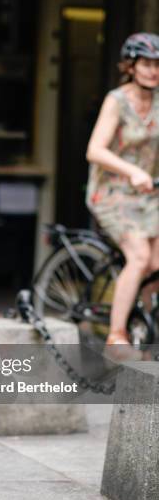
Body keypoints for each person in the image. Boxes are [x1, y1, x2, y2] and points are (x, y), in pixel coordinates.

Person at [86, 33, 159, 346]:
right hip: (112, 192)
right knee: (140, 256)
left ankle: (143, 328)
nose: (152, 70)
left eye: (157, 64)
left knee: (157, 263)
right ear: (131, 66)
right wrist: (132, 171)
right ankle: (117, 334)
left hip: (149, 193)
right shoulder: (117, 100)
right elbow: (95, 151)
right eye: (146, 64)